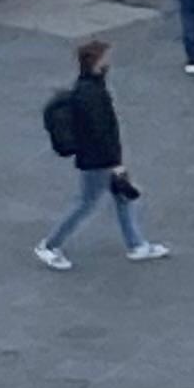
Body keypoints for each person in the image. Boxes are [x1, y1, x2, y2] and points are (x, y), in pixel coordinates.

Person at [35, 39, 165, 267]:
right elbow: (100, 132)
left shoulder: (90, 86)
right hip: (98, 160)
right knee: (86, 202)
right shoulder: (92, 93)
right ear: (96, 62)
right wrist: (115, 163)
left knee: (121, 197)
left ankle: (136, 244)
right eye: (106, 58)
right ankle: (49, 245)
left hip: (97, 158)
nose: (109, 62)